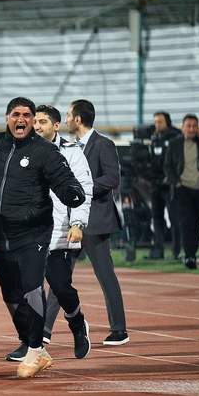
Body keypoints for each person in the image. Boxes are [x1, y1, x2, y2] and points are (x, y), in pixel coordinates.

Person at [0, 97, 85, 378]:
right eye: (15, 114)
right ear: (7, 117)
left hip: (32, 234)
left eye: (26, 115)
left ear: (33, 120)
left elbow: (64, 179)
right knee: (10, 295)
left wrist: (72, 193)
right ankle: (33, 344)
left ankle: (35, 348)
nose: (20, 119)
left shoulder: (44, 151)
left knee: (31, 289)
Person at [66, 99, 129, 345]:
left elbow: (112, 179)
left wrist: (83, 187)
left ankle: (119, 330)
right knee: (60, 277)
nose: (66, 119)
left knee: (105, 275)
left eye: (68, 115)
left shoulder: (103, 144)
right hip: (71, 221)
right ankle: (44, 332)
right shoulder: (70, 146)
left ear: (78, 119)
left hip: (96, 220)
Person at [33, 105, 93, 359]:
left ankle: (77, 323)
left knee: (60, 286)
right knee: (27, 291)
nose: (37, 126)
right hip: (29, 232)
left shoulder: (72, 152)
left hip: (60, 232)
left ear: (56, 126)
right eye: (35, 121)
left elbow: (84, 189)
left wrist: (78, 224)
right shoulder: (23, 150)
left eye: (43, 122)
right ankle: (32, 342)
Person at [163, 113, 199, 269]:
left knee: (197, 224)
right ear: (182, 127)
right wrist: (176, 182)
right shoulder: (174, 143)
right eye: (188, 126)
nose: (191, 129)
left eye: (194, 126)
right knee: (186, 224)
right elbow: (167, 166)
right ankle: (189, 256)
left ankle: (192, 253)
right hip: (182, 190)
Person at [147, 111, 181, 260]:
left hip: (170, 184)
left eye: (160, 122)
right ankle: (158, 250)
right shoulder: (154, 138)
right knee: (156, 217)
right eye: (156, 122)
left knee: (174, 218)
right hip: (156, 184)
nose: (157, 125)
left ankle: (177, 251)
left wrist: (172, 178)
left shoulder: (176, 137)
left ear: (167, 122)